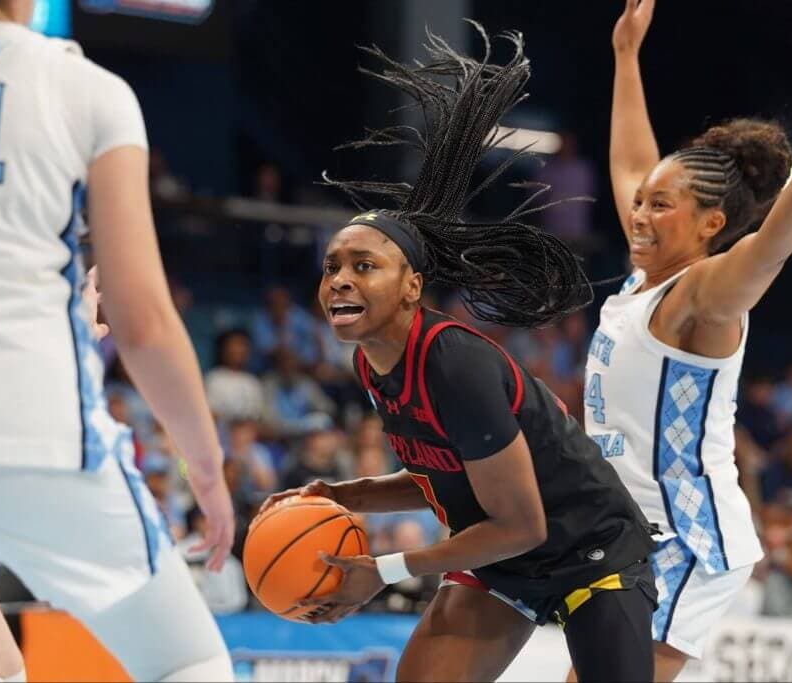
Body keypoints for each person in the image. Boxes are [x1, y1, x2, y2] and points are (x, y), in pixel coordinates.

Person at [261, 24, 658, 682]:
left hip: (590, 550)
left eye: (364, 265)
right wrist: (340, 494)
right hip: (502, 559)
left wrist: (384, 571)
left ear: (413, 287)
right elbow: (443, 474)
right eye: (332, 266)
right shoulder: (372, 363)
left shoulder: (454, 363)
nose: (340, 280)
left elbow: (522, 523)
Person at [579, 0, 792, 679]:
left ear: (711, 224)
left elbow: (768, 252)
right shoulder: (647, 276)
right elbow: (631, 162)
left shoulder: (703, 297)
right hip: (626, 525)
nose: (638, 211)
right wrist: (626, 57)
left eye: (659, 205)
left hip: (683, 537)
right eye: (640, 202)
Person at [0, 2, 235, 681]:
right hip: (30, 426)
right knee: (188, 662)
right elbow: (144, 323)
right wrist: (204, 467)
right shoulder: (85, 88)